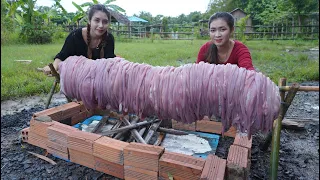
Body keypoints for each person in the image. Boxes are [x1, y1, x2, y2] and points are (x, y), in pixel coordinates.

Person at [42, 4, 116, 75]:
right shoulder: (75, 36)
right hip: (76, 77)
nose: (101, 25)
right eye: (97, 20)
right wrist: (54, 67)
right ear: (89, 21)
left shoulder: (109, 39)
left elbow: (109, 61)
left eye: (105, 22)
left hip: (99, 77)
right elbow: (62, 56)